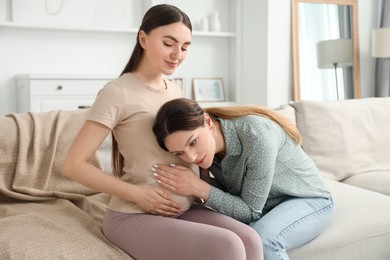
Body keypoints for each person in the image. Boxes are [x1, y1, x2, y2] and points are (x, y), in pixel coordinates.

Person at [61, 4, 263, 260]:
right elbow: (73, 165)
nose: (177, 54)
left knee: (251, 240)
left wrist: (202, 183)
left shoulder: (175, 89)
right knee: (229, 246)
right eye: (169, 43)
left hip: (184, 209)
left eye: (185, 47)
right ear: (143, 38)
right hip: (133, 216)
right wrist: (138, 194)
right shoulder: (117, 92)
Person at [152, 97, 335, 260]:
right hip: (268, 206)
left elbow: (250, 211)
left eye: (193, 142)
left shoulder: (256, 135)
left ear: (207, 121)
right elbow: (233, 194)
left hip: (308, 199)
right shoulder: (208, 153)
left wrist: (200, 188)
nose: (190, 157)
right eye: (179, 153)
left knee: (263, 239)